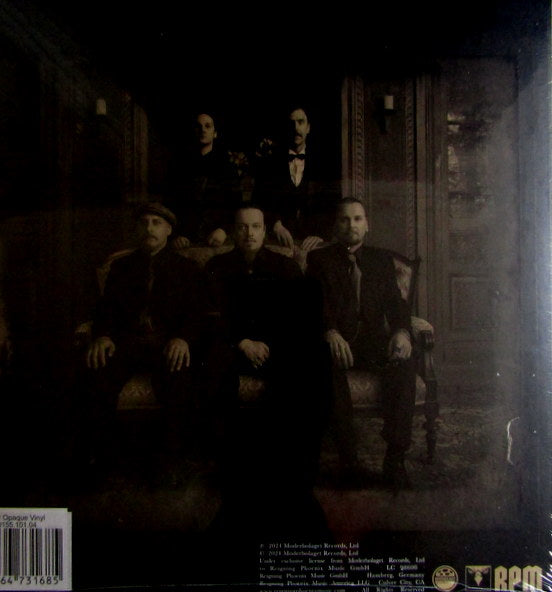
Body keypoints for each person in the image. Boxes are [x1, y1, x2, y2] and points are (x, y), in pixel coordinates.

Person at [205, 205, 328, 540]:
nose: (249, 233)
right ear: (234, 231)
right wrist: (242, 342)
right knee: (214, 365)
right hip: (235, 347)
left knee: (305, 365)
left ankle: (291, 467)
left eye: (256, 226)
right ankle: (227, 465)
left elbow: (299, 316)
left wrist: (271, 344)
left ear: (264, 230)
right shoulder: (217, 266)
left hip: (275, 348)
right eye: (242, 227)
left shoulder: (284, 265)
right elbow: (211, 316)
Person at [76, 201, 205, 483]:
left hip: (166, 344)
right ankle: (103, 460)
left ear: (169, 230)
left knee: (178, 381)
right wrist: (103, 335)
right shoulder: (121, 266)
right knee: (95, 374)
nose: (149, 229)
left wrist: (183, 338)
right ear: (136, 229)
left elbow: (196, 313)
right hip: (127, 344)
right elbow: (106, 309)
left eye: (156, 223)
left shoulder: (186, 268)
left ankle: (170, 461)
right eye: (144, 223)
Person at [306, 197, 415, 488]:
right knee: (322, 365)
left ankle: (395, 458)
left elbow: (397, 306)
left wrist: (402, 332)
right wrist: (329, 332)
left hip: (372, 344)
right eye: (344, 219)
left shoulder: (381, 261)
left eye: (357, 219)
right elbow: (314, 305)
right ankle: (349, 460)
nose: (351, 225)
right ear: (335, 226)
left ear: (367, 225)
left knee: (405, 363)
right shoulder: (319, 260)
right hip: (336, 342)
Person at [254, 105, 333, 252]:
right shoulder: (269, 163)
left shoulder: (322, 164)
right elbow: (258, 202)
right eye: (291, 123)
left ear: (308, 128)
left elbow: (330, 205)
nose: (296, 128)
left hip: (313, 245)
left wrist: (319, 234)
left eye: (300, 122)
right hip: (277, 243)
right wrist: (275, 224)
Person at [166, 111, 239, 248]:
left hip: (218, 236)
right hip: (184, 238)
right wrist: (177, 234)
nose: (203, 130)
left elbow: (235, 204)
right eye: (198, 126)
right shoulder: (179, 166)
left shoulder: (227, 167)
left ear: (215, 133)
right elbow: (171, 203)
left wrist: (224, 230)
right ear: (193, 131)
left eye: (207, 126)